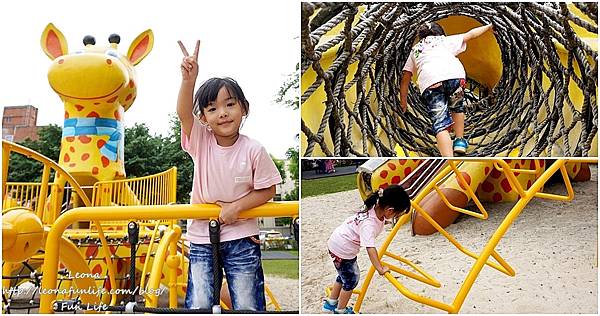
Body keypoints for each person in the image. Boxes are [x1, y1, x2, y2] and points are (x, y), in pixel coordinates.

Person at [177, 40, 282, 311]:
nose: (222, 113)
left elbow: (268, 190)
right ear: (203, 117)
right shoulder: (201, 141)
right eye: (212, 108)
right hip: (202, 235)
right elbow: (182, 113)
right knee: (200, 302)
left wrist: (237, 207)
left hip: (242, 235)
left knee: (247, 302)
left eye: (229, 104)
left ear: (244, 108)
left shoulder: (254, 149)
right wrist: (189, 80)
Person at [400, 22, 494, 156]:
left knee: (440, 124)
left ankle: (448, 159)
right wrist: (489, 26)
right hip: (455, 77)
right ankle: (460, 141)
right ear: (440, 33)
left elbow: (406, 76)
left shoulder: (415, 49)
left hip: (431, 83)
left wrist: (403, 100)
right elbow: (471, 34)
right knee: (457, 107)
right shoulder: (444, 40)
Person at [323, 185, 411, 314]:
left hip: (337, 243)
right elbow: (370, 248)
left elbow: (376, 220)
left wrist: (383, 222)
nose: (395, 218)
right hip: (343, 250)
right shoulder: (369, 225)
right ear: (390, 211)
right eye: (396, 215)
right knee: (351, 280)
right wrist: (379, 268)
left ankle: (330, 304)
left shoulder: (374, 206)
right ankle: (340, 310)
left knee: (343, 275)